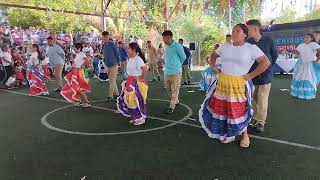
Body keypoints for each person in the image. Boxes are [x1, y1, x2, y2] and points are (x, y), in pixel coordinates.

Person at [199, 23, 270, 148]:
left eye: (237, 31)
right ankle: (228, 133)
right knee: (225, 109)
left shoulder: (251, 48)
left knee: (240, 110)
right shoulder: (225, 47)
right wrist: (214, 67)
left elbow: (265, 62)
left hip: (239, 84)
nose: (234, 33)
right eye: (233, 30)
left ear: (245, 35)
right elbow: (213, 55)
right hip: (223, 83)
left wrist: (251, 75)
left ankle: (244, 135)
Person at [246, 19, 278, 133]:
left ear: (255, 29)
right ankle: (255, 118)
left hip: (265, 75)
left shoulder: (268, 40)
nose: (247, 31)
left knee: (262, 98)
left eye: (248, 29)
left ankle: (260, 122)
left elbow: (274, 55)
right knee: (254, 98)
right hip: (252, 75)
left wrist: (268, 68)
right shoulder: (248, 42)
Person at [117, 42, 148, 125]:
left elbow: (145, 69)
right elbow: (129, 71)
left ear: (133, 49)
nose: (127, 50)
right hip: (129, 81)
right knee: (129, 99)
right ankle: (135, 117)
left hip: (135, 83)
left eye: (129, 49)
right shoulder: (130, 59)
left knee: (136, 100)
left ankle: (140, 118)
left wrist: (141, 78)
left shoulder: (138, 59)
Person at [162, 30, 186, 114]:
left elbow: (183, 57)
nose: (163, 40)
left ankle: (171, 107)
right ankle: (176, 101)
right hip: (167, 72)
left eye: (164, 38)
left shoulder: (178, 46)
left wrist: (178, 66)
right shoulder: (166, 47)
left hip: (176, 72)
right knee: (168, 89)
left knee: (175, 90)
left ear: (169, 37)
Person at [60, 43, 91, 108]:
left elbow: (87, 61)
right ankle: (81, 101)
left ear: (78, 48)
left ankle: (86, 102)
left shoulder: (82, 54)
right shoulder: (78, 55)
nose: (74, 49)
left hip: (81, 72)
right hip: (77, 72)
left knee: (79, 88)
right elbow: (78, 65)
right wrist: (71, 68)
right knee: (76, 88)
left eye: (74, 48)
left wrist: (83, 67)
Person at [291, 33, 320, 100]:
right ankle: (298, 94)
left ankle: (307, 94)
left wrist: (318, 59)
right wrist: (296, 52)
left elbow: (319, 51)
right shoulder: (301, 45)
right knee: (299, 78)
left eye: (307, 37)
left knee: (308, 78)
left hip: (310, 65)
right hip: (301, 64)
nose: (305, 39)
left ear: (311, 38)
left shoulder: (313, 44)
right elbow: (297, 52)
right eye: (304, 37)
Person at [101, 31, 120, 101]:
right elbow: (105, 55)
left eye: (106, 37)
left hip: (114, 64)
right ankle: (117, 94)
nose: (105, 38)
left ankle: (110, 96)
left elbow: (117, 53)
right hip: (108, 65)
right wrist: (104, 60)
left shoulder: (112, 44)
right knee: (111, 80)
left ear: (108, 36)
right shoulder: (104, 45)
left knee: (112, 81)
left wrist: (118, 63)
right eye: (104, 37)